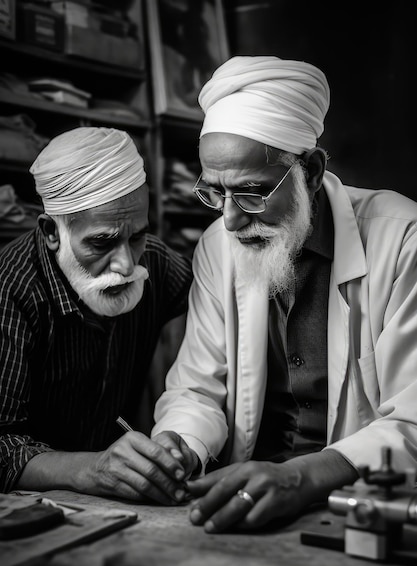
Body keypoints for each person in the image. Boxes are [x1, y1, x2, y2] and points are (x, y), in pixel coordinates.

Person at [152, 55, 417, 532]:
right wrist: (180, 444)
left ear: (311, 172)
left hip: (359, 505)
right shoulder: (219, 244)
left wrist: (300, 478)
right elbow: (197, 386)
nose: (230, 219)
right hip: (246, 499)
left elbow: (414, 422)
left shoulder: (402, 239)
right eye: (215, 193)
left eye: (252, 192)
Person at [0, 126, 197, 505]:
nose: (125, 264)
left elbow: (221, 311)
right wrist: (93, 469)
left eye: (137, 236)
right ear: (51, 232)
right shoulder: (11, 290)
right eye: (101, 242)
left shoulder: (156, 263)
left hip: (119, 497)